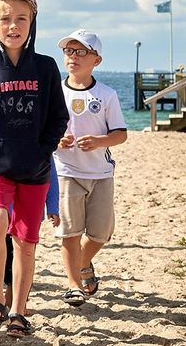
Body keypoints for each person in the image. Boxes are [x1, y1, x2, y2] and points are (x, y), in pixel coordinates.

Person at [0, 0, 68, 339]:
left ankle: (18, 310)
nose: (13, 26)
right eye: (5, 18)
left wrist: (43, 150)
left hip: (35, 171)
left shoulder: (46, 67)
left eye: (21, 19)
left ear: (32, 24)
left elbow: (58, 117)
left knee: (25, 241)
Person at [55, 29, 128, 307]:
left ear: (96, 60)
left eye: (81, 51)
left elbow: (120, 134)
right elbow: (42, 130)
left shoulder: (107, 94)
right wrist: (57, 140)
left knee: (101, 233)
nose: (73, 57)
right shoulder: (55, 91)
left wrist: (99, 141)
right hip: (66, 172)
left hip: (100, 174)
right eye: (69, 51)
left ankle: (83, 262)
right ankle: (74, 285)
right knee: (69, 232)